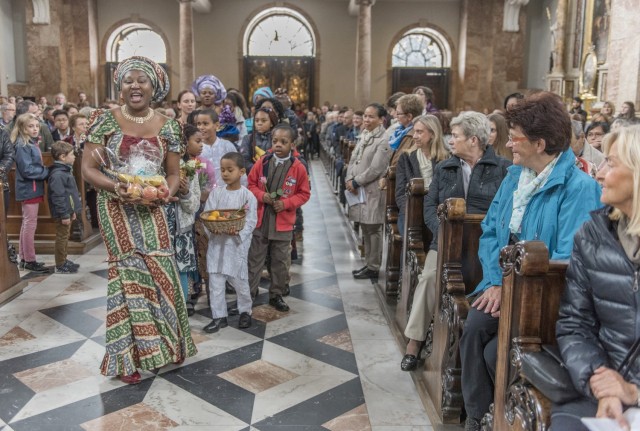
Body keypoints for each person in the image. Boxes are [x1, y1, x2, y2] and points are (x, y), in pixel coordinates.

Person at [459, 91, 602, 431]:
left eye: (516, 138)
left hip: (543, 298)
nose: (509, 145)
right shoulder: (513, 178)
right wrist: (495, 281)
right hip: (505, 281)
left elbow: (566, 260)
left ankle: (508, 417)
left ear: (539, 144)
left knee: (498, 353)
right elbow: (492, 231)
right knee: (474, 329)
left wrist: (514, 289)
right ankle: (480, 416)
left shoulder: (578, 187)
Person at [81, 56, 196, 384]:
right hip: (115, 207)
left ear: (154, 87)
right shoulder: (104, 120)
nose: (134, 85)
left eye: (142, 80)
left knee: (161, 270)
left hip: (153, 207)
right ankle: (128, 358)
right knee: (129, 274)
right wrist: (117, 186)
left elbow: (173, 174)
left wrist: (163, 192)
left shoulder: (169, 125)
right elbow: (88, 169)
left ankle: (165, 347)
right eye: (128, 80)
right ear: (120, 86)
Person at [400, 112, 511, 371]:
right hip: (445, 242)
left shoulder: (503, 169)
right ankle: (414, 343)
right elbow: (429, 205)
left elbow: (505, 211)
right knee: (429, 279)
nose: (451, 140)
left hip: (487, 248)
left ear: (473, 140)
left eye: (456, 136)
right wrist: (443, 232)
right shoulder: (445, 168)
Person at [551, 125, 640, 431]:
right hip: (606, 377)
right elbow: (575, 322)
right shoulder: (593, 235)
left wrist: (633, 392)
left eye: (610, 164)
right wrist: (601, 381)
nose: (598, 173)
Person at [247, 123, 311, 311]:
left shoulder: (298, 167)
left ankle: (277, 294)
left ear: (292, 143)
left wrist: (286, 203)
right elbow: (251, 184)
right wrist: (261, 195)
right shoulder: (264, 162)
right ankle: (249, 294)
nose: (278, 145)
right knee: (255, 259)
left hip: (283, 223)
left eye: (284, 142)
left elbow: (304, 194)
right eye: (275, 141)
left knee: (280, 261)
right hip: (261, 220)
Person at [203, 152, 258, 333]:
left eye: (230, 170)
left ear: (241, 171)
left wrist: (238, 232)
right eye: (223, 170)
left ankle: (245, 311)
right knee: (215, 283)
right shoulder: (216, 193)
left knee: (240, 282)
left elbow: (250, 221)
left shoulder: (247, 196)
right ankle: (219, 317)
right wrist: (212, 228)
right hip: (217, 244)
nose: (225, 174)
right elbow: (208, 215)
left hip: (235, 246)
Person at [346, 103, 392, 280]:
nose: (366, 119)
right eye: (365, 115)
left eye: (371, 116)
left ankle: (373, 266)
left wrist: (356, 181)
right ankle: (368, 263)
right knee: (365, 226)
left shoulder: (384, 139)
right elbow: (353, 159)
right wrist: (349, 178)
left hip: (372, 190)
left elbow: (376, 168)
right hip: (359, 188)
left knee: (373, 228)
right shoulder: (364, 135)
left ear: (381, 120)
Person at [395, 115, 449, 236]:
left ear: (433, 134)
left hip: (437, 210)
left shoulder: (446, 158)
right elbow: (400, 193)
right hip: (411, 210)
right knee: (412, 235)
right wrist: (413, 210)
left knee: (442, 234)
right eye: (415, 131)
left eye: (419, 132)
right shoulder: (406, 157)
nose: (414, 136)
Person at [11, 113, 49, 273]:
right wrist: (46, 172)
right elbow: (27, 170)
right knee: (29, 224)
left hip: (32, 187)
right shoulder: (22, 145)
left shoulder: (29, 143)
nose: (35, 129)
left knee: (27, 223)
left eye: (36, 126)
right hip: (29, 188)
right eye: (30, 126)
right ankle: (30, 260)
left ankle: (24, 258)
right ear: (22, 128)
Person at [170, 124, 202, 315]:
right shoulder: (162, 168)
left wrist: (185, 192)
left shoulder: (191, 169)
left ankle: (182, 307)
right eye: (197, 141)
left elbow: (194, 205)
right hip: (163, 229)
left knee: (183, 270)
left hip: (182, 229)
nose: (201, 145)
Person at [47, 141, 81, 274]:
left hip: (67, 211)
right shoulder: (58, 175)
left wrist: (71, 211)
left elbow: (69, 195)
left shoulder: (64, 171)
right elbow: (59, 197)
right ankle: (60, 264)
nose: (74, 157)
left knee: (65, 236)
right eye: (72, 155)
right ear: (62, 156)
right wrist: (64, 214)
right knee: (62, 237)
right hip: (62, 213)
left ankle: (64, 259)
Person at [196, 108, 238, 187]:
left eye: (205, 124)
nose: (201, 127)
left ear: (217, 125)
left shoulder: (227, 146)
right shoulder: (196, 149)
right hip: (203, 196)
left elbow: (239, 172)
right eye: (199, 124)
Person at [240, 107, 280, 173]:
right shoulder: (247, 138)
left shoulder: (277, 139)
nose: (259, 123)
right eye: (256, 120)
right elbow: (244, 159)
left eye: (264, 121)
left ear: (271, 123)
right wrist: (258, 171)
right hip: (253, 175)